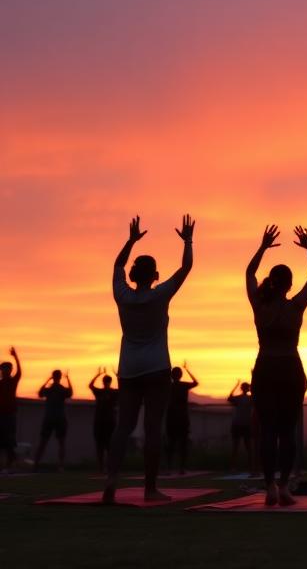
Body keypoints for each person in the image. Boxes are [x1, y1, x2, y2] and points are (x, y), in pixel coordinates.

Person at [103, 214, 195, 504]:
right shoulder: (160, 295)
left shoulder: (122, 295)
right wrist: (188, 240)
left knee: (123, 427)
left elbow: (117, 265)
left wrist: (130, 240)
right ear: (155, 276)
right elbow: (186, 267)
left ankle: (111, 481)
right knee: (153, 428)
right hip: (156, 368)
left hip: (129, 369)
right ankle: (150, 489)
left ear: (133, 276)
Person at [246, 225, 307, 506]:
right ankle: (284, 486)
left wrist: (262, 247)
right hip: (289, 369)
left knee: (268, 430)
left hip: (266, 368)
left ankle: (270, 487)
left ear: (272, 282)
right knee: (286, 431)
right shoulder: (295, 306)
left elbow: (250, 274)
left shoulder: (260, 306)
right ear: (288, 284)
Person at [33, 369, 73, 471]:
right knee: (61, 443)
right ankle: (61, 466)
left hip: (50, 418)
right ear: (60, 377)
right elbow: (70, 393)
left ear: (53, 376)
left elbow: (40, 393)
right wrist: (68, 379)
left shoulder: (50, 389)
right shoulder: (61, 389)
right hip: (59, 418)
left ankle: (36, 464)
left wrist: (47, 381)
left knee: (43, 442)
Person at [166, 362, 199, 474]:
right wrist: (187, 370)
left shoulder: (169, 386)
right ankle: (181, 468)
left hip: (172, 418)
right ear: (180, 375)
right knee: (181, 444)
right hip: (181, 418)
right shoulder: (183, 385)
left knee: (172, 443)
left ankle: (170, 468)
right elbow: (196, 382)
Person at [89, 367, 119, 473]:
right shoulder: (101, 392)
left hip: (107, 422)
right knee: (103, 446)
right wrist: (117, 376)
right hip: (103, 422)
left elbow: (90, 385)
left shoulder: (110, 392)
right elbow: (91, 386)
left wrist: (98, 375)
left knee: (106, 446)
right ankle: (102, 467)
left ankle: (105, 467)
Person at [0, 347, 22, 471]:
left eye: (7, 369)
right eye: (3, 369)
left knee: (9, 440)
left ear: (10, 370)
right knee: (2, 441)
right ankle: (7, 464)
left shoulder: (13, 381)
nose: (4, 371)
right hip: (1, 415)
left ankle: (10, 464)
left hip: (10, 415)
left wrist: (15, 356)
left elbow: (19, 372)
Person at [227, 379, 253, 473]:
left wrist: (235, 386)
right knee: (245, 447)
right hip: (241, 424)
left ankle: (246, 467)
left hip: (241, 424)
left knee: (242, 447)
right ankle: (248, 467)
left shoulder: (247, 398)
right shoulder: (249, 399)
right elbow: (230, 398)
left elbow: (229, 398)